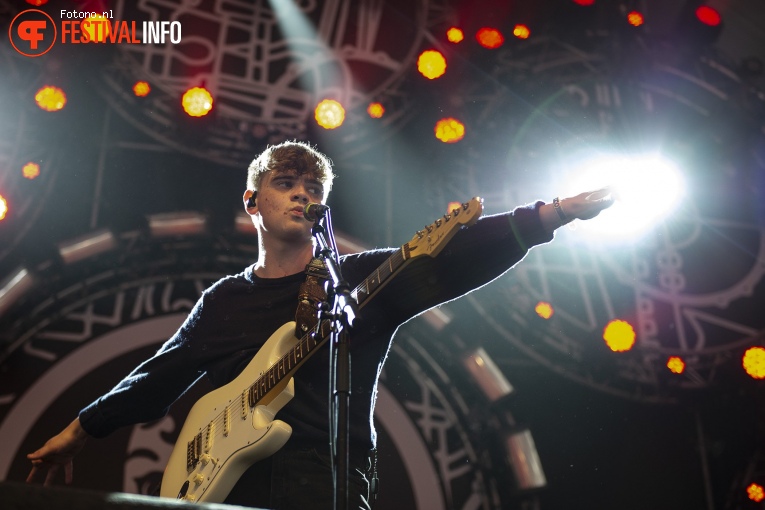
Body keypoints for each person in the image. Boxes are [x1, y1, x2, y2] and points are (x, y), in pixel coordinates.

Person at [26, 140, 614, 509]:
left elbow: (452, 260)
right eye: (286, 184)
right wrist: (81, 430)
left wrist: (550, 215)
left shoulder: (353, 279)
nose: (302, 194)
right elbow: (161, 374)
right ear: (253, 202)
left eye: (314, 188)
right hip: (225, 476)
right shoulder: (225, 299)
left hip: (323, 473)